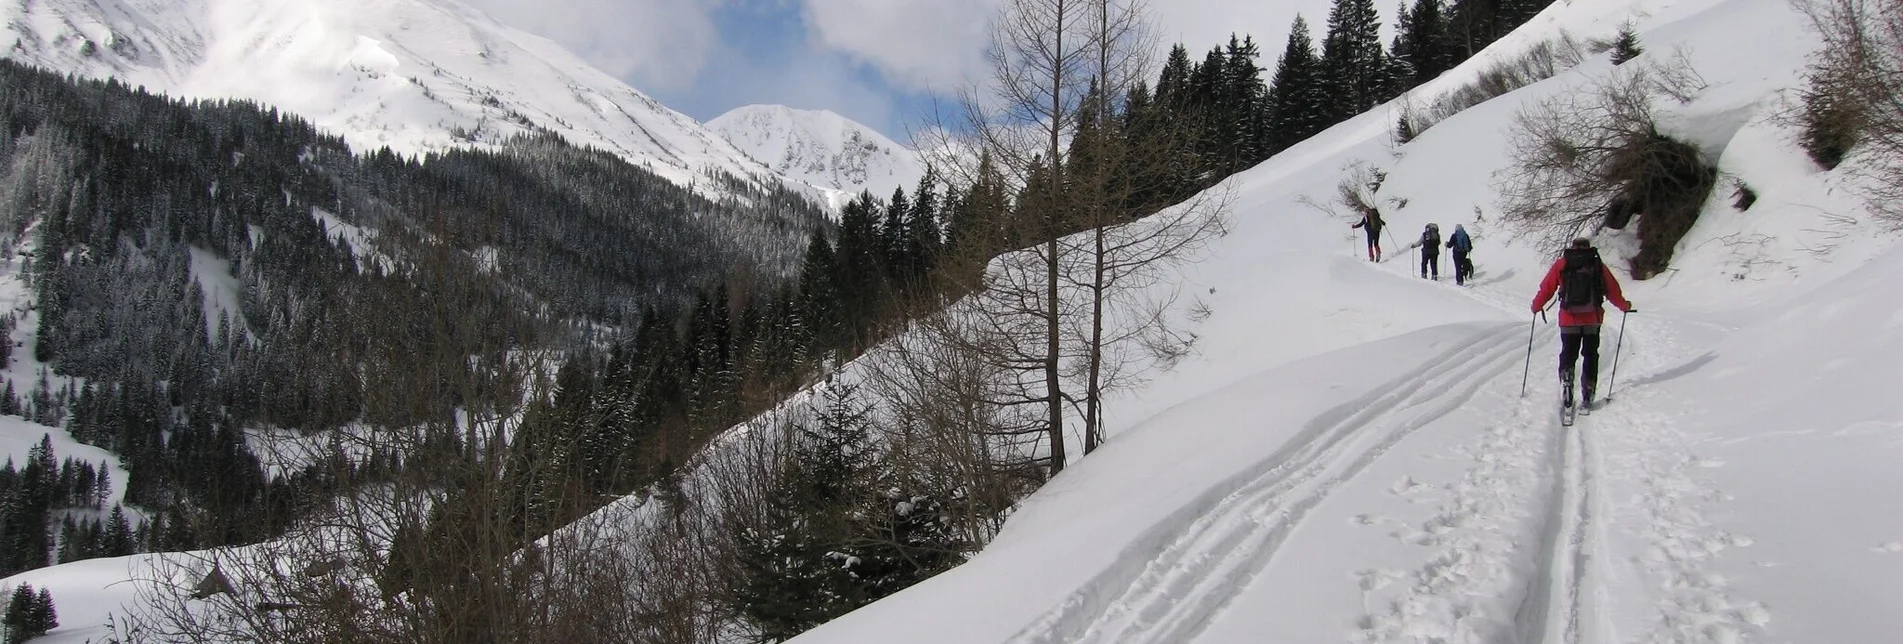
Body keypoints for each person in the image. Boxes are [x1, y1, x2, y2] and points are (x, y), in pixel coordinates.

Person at [1530, 238, 1634, 409]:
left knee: (1568, 353)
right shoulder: (1597, 264)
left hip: (1568, 318)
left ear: (1573, 247)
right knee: (1590, 354)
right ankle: (1589, 387)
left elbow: (1547, 287)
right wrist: (1624, 305)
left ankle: (1566, 377)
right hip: (1592, 319)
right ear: (1588, 247)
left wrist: (1536, 305)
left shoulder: (1563, 263)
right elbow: (1612, 289)